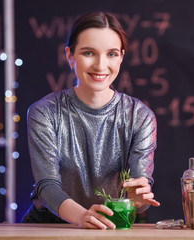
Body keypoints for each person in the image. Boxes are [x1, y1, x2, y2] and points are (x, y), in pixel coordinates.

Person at [22, 11, 160, 229]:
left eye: (112, 54)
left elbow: (140, 192)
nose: (100, 65)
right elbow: (46, 185)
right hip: (50, 225)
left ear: (122, 57)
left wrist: (139, 197)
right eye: (89, 53)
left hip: (114, 223)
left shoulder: (140, 116)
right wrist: (81, 216)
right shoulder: (44, 112)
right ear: (70, 56)